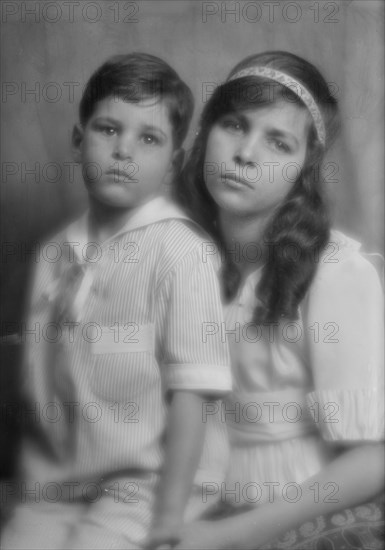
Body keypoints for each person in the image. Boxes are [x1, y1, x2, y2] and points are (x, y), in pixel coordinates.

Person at [1, 53, 232, 550]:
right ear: (78, 139)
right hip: (60, 483)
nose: (123, 150)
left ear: (174, 162)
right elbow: (38, 389)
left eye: (148, 138)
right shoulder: (53, 254)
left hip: (151, 483)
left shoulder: (180, 253)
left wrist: (168, 519)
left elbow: (193, 393)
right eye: (108, 129)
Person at [174, 51, 384, 549]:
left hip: (301, 512)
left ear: (302, 171)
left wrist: (232, 535)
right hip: (204, 497)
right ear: (206, 135)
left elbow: (373, 458)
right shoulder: (186, 257)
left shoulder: (335, 272)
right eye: (233, 125)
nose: (245, 153)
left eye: (278, 142)